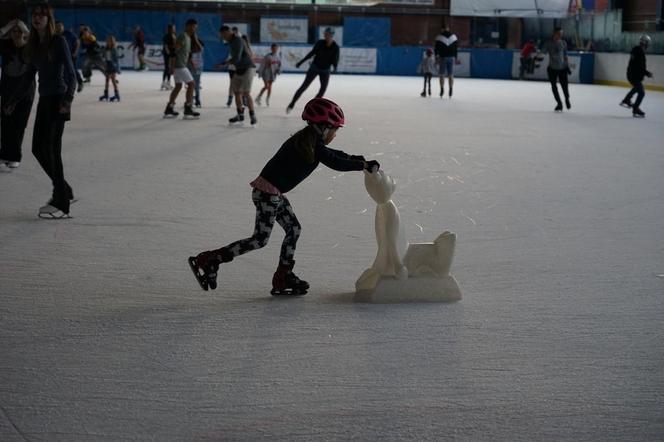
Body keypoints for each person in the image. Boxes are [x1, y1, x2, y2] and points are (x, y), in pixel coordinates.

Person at [188, 97, 381, 294]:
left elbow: (333, 154)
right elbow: (334, 162)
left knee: (293, 229)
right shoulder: (309, 143)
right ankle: (211, 259)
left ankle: (283, 275)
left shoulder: (309, 139)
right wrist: (362, 165)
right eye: (334, 129)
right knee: (260, 239)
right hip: (267, 195)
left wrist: (356, 159)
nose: (335, 134)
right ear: (323, 127)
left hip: (272, 194)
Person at [21, 3, 76, 218]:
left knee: (53, 150)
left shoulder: (58, 41)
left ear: (48, 19)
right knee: (37, 148)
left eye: (41, 15)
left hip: (59, 100)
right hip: (45, 100)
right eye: (34, 15)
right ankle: (64, 189)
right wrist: (12, 99)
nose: (37, 18)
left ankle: (61, 202)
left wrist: (68, 100)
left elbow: (71, 74)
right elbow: (28, 77)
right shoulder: (34, 44)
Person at [0, 19, 34, 170]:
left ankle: (14, 156)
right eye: (14, 31)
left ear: (24, 33)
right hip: (7, 90)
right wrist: (9, 25)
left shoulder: (29, 49)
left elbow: (34, 38)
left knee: (19, 125)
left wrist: (22, 26)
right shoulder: (6, 46)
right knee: (6, 124)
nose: (16, 34)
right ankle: (4, 154)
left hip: (24, 93)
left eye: (19, 31)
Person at [286, 27, 339, 113]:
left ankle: (312, 107)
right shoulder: (320, 43)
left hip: (325, 70)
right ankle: (292, 104)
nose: (325, 36)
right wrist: (301, 62)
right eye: (325, 34)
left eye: (327, 34)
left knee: (322, 90)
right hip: (315, 67)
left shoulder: (335, 47)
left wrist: (335, 67)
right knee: (304, 86)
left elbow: (335, 59)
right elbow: (311, 54)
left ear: (331, 35)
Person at [219, 25, 256, 125]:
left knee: (246, 93)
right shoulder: (230, 42)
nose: (223, 38)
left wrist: (223, 64)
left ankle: (252, 115)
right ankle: (240, 115)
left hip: (248, 68)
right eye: (222, 36)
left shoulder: (238, 40)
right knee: (237, 92)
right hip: (238, 69)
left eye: (224, 35)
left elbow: (237, 58)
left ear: (228, 32)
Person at [163, 18, 199, 119]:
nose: (194, 29)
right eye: (192, 27)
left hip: (180, 65)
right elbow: (175, 51)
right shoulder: (183, 36)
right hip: (179, 65)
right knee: (191, 84)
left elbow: (185, 53)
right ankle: (188, 109)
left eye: (195, 28)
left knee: (178, 86)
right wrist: (171, 66)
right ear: (187, 26)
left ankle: (169, 108)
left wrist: (191, 64)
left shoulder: (188, 37)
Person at [620, 34, 653, 118]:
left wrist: (644, 73)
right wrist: (647, 73)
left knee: (637, 88)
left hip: (632, 74)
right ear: (645, 43)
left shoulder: (636, 50)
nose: (648, 45)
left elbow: (637, 66)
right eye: (648, 43)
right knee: (641, 92)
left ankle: (626, 100)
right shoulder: (640, 52)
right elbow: (640, 67)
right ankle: (635, 108)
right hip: (634, 75)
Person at [544, 27, 571, 112]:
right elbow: (542, 51)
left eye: (561, 34)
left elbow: (565, 56)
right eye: (559, 34)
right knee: (554, 87)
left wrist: (567, 66)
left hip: (562, 68)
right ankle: (559, 103)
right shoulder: (548, 43)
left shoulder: (564, 43)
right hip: (552, 68)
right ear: (555, 34)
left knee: (564, 86)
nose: (561, 35)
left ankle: (567, 98)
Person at [55, 21, 84, 92]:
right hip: (60, 56)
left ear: (63, 26)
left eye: (60, 26)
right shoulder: (54, 35)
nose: (59, 27)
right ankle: (65, 86)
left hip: (71, 55)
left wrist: (75, 52)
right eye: (57, 26)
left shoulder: (68, 33)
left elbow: (77, 41)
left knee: (72, 69)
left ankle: (80, 82)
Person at [434, 25, 458, 98]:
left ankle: (442, 89)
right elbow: (456, 48)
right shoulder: (454, 37)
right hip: (451, 58)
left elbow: (436, 49)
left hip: (443, 57)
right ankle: (451, 88)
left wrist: (436, 57)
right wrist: (456, 57)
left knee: (442, 74)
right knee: (450, 74)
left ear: (442, 29)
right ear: (448, 29)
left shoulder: (439, 37)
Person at [99, 35, 120, 102]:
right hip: (108, 65)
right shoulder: (106, 48)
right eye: (107, 41)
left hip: (112, 66)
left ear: (112, 42)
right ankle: (106, 94)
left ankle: (117, 95)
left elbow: (116, 60)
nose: (108, 42)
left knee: (113, 81)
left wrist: (117, 68)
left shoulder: (114, 49)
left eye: (110, 41)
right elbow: (103, 55)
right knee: (107, 80)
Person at [188, 32, 204, 107]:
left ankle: (196, 99)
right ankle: (192, 100)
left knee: (194, 85)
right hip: (193, 67)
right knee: (193, 85)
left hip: (197, 67)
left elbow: (201, 49)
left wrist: (196, 39)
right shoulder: (189, 46)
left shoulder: (198, 44)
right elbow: (189, 58)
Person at [161, 24, 176, 90]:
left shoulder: (174, 35)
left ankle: (167, 82)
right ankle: (164, 82)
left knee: (169, 69)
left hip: (172, 54)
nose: (174, 29)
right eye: (173, 28)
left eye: (174, 28)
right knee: (167, 68)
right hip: (168, 54)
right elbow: (165, 46)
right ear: (170, 29)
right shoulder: (166, 36)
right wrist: (168, 53)